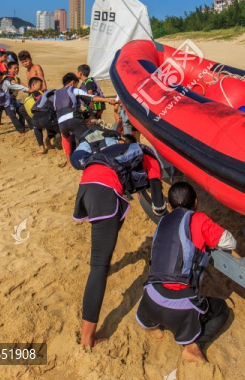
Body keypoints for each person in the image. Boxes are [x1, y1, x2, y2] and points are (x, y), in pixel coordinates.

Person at [72, 141, 168, 348]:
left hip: (87, 186)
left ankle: (107, 266)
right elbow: (159, 205)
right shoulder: (151, 159)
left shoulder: (121, 149)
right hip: (105, 192)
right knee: (98, 266)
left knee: (111, 230)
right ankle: (87, 338)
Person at [135, 181, 236, 363]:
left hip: (149, 299)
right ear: (196, 203)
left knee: (158, 297)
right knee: (222, 310)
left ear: (170, 206)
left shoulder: (163, 222)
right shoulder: (199, 219)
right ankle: (192, 347)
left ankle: (152, 328)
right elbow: (231, 243)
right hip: (179, 307)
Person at [56, 72, 116, 166]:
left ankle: (68, 161)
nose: (77, 86)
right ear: (72, 82)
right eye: (76, 83)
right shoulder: (73, 89)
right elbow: (91, 98)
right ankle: (97, 159)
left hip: (61, 123)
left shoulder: (56, 94)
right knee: (90, 137)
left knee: (65, 137)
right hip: (73, 119)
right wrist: (108, 100)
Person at [25, 78, 60, 154]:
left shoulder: (28, 97)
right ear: (33, 85)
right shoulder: (41, 94)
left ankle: (41, 147)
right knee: (60, 128)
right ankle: (49, 139)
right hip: (47, 117)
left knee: (37, 128)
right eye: (40, 85)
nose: (42, 87)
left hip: (35, 119)